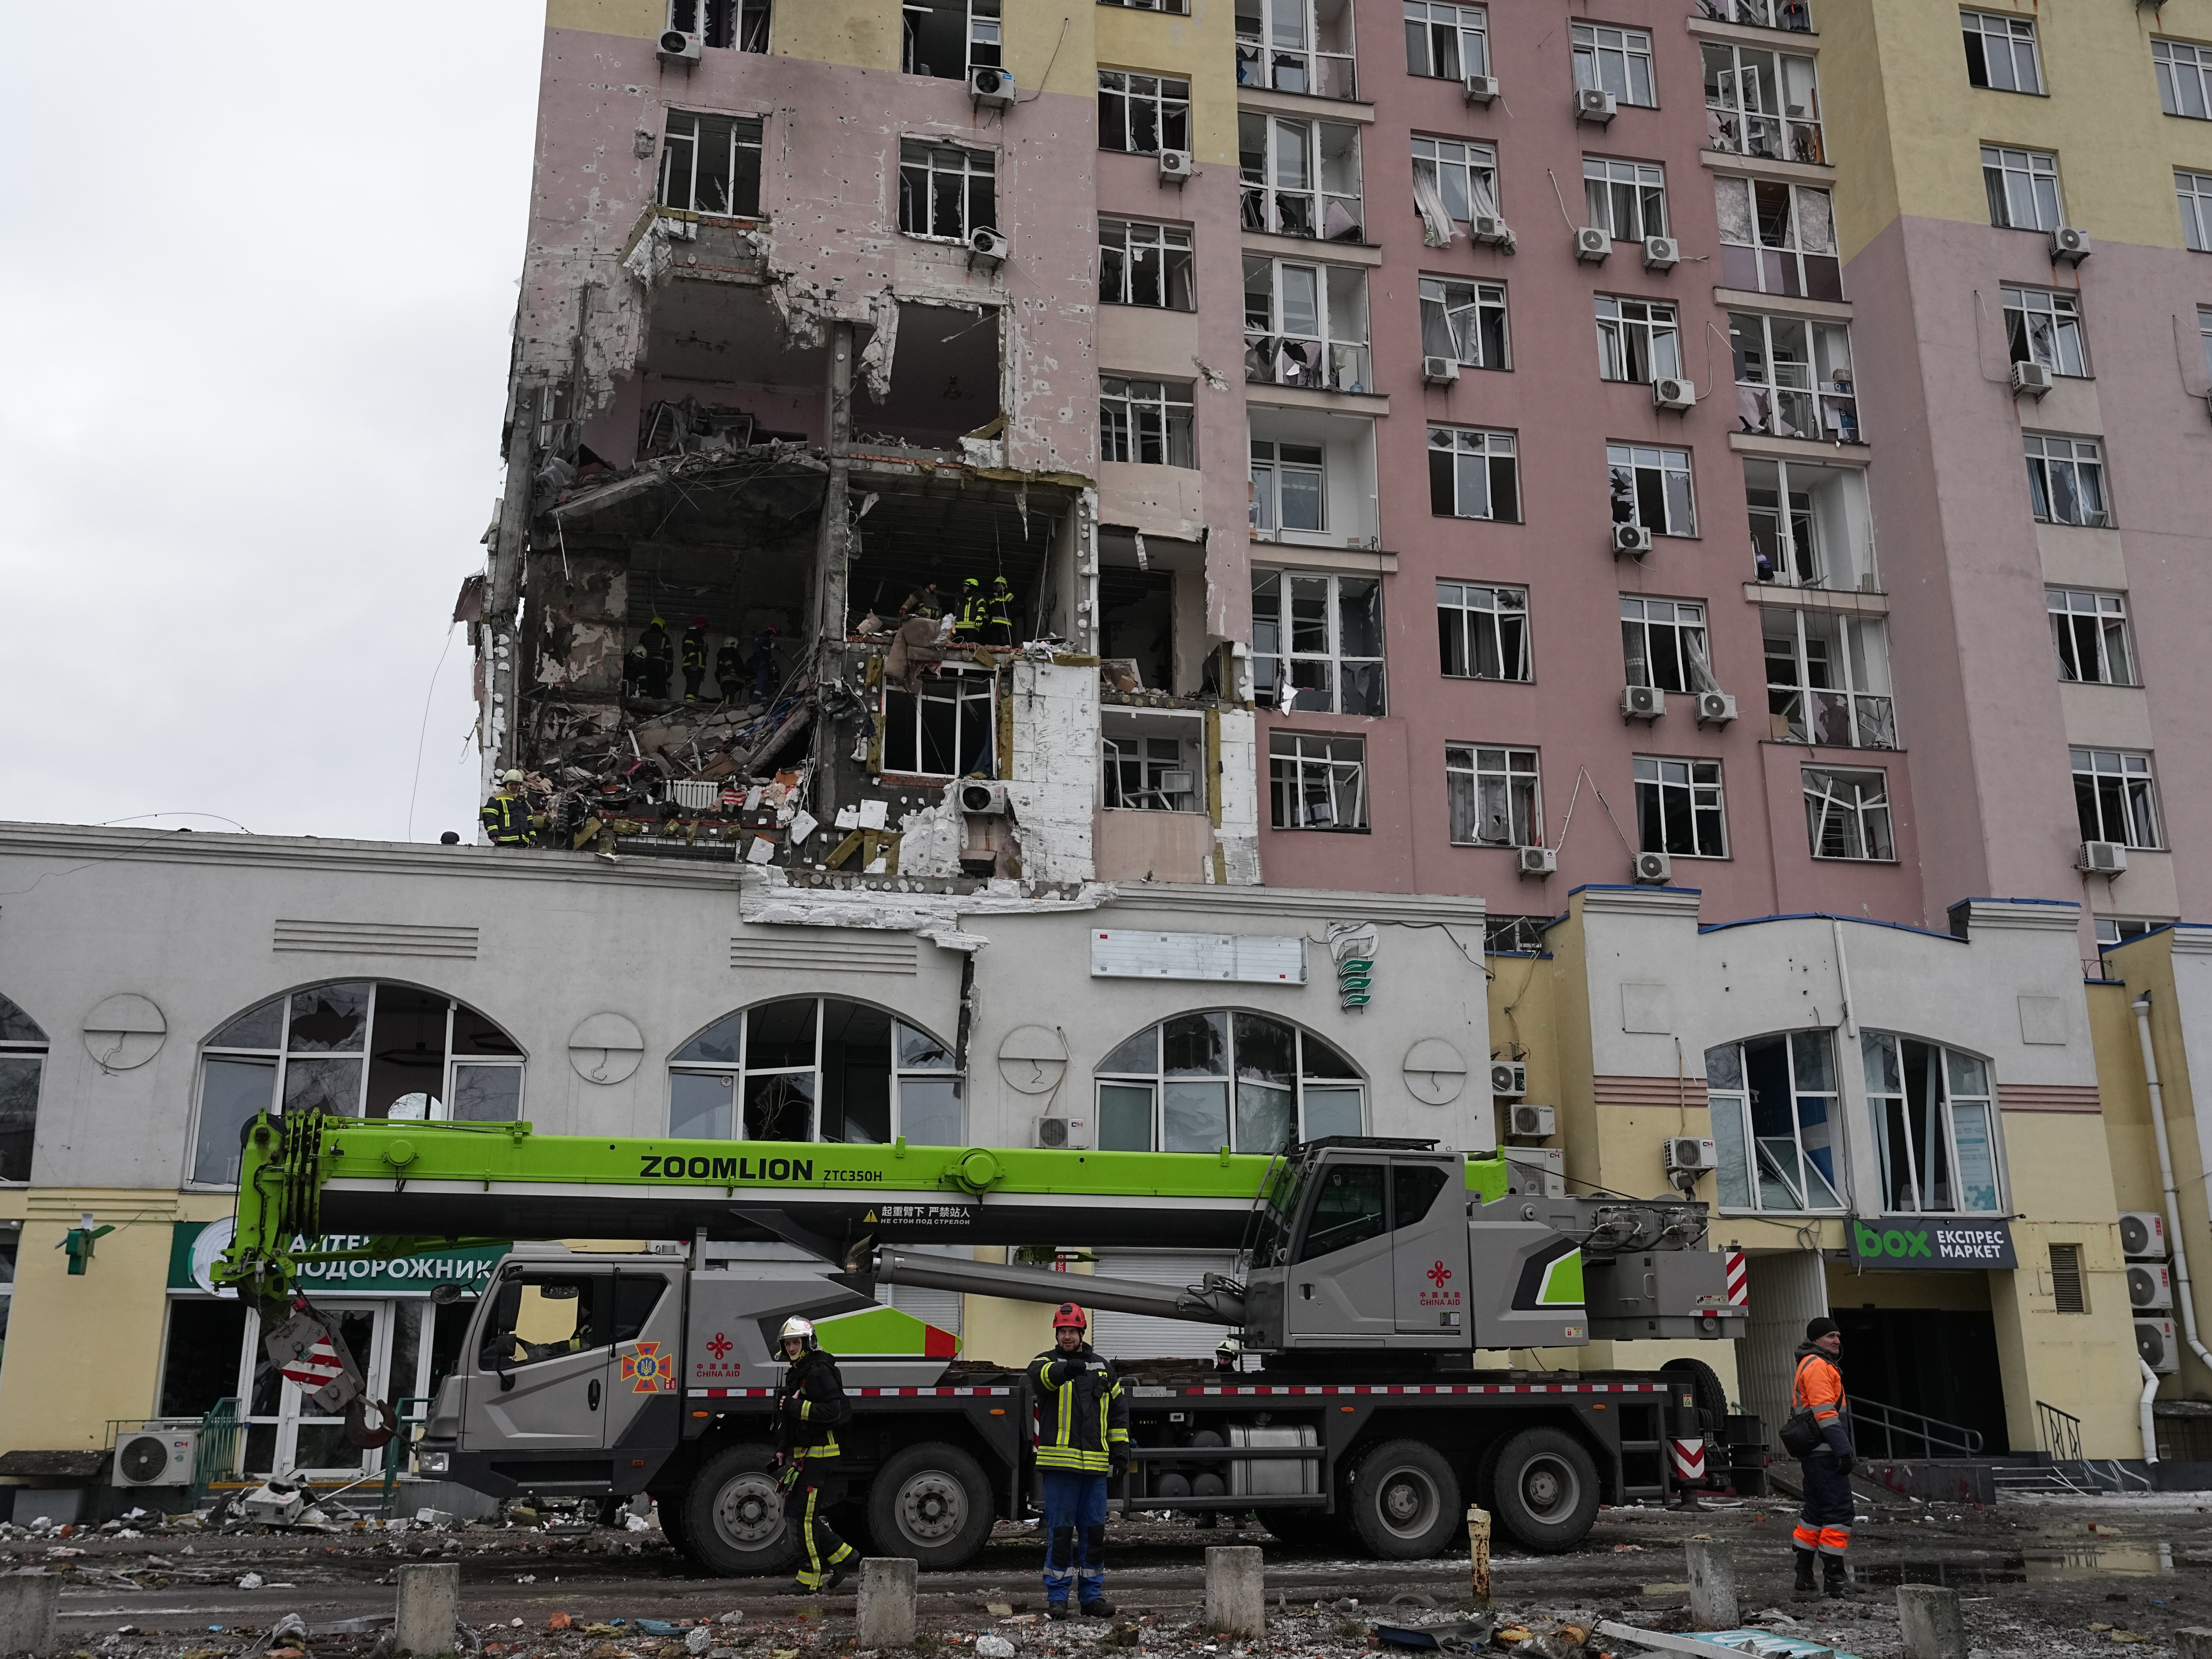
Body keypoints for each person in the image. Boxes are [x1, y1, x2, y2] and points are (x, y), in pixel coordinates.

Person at [1028, 1303, 1127, 1620]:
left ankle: (1091, 1597)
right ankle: (1058, 1598)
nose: (1067, 1337)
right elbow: (1042, 1378)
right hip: (1061, 1469)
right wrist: (1066, 1369)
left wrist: (1121, 1449)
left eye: (1072, 1331)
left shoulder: (1103, 1367)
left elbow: (1117, 1413)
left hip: (1096, 1470)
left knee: (1094, 1535)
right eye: (1062, 1332)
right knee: (1060, 1534)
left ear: (1082, 1333)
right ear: (1056, 1334)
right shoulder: (1045, 1361)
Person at [772, 1315, 854, 1594]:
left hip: (821, 1455)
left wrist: (797, 1407)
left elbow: (837, 1411)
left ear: (807, 1343)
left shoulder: (819, 1370)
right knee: (797, 1514)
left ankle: (811, 1577)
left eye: (796, 1342)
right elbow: (794, 1420)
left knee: (800, 1517)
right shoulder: (799, 1371)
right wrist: (784, 1449)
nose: (792, 1348)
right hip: (807, 1456)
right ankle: (843, 1556)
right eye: (788, 1344)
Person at [1791, 1316, 1855, 1599]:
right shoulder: (1817, 1366)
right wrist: (1843, 1449)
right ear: (1816, 1340)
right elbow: (1825, 1414)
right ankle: (1835, 1581)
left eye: (1838, 1336)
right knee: (1840, 1513)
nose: (1837, 1341)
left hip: (1816, 1454)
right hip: (1826, 1453)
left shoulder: (1815, 1363)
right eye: (1831, 1336)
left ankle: (1805, 1578)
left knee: (1814, 1516)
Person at [1195, 1338, 1241, 1531]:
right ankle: (1209, 1517)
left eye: (1226, 1360)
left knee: (1236, 1473)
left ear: (1232, 1360)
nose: (1222, 1362)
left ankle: (1239, 1518)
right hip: (1210, 1431)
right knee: (1209, 1474)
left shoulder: (1237, 1379)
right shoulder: (1210, 1377)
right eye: (1221, 1358)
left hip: (1227, 1429)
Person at [479, 769, 539, 847]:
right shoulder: (497, 799)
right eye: (512, 784)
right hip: (504, 844)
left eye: (517, 784)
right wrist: (493, 833)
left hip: (522, 845)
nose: (515, 787)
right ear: (506, 785)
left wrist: (533, 837)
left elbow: (530, 823)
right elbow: (490, 817)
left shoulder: (523, 802)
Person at [639, 617, 673, 699]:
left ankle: (649, 699)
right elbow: (669, 654)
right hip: (660, 664)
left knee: (649, 682)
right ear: (662, 626)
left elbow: (639, 651)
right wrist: (670, 669)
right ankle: (663, 700)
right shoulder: (665, 637)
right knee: (661, 683)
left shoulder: (645, 635)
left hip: (647, 663)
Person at [680, 619, 709, 702]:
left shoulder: (698, 637)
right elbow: (688, 648)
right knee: (692, 687)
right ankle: (689, 705)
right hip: (692, 665)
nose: (706, 630)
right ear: (700, 626)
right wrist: (694, 661)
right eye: (705, 628)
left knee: (695, 688)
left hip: (697, 667)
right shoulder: (692, 635)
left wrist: (702, 671)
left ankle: (691, 703)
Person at [986, 575, 1015, 649]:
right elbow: (988, 611)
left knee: (1005, 644)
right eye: (997, 585)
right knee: (994, 643)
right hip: (994, 625)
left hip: (1005, 625)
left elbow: (1013, 602)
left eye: (1001, 585)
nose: (999, 587)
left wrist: (1004, 592)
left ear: (1005, 586)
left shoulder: (1008, 595)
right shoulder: (992, 598)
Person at [715, 633, 745, 700]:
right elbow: (727, 661)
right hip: (729, 679)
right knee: (728, 695)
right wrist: (732, 670)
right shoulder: (726, 652)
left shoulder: (734, 655)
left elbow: (741, 667)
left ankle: (728, 707)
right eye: (737, 645)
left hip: (733, 679)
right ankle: (727, 708)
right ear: (733, 644)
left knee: (730, 695)